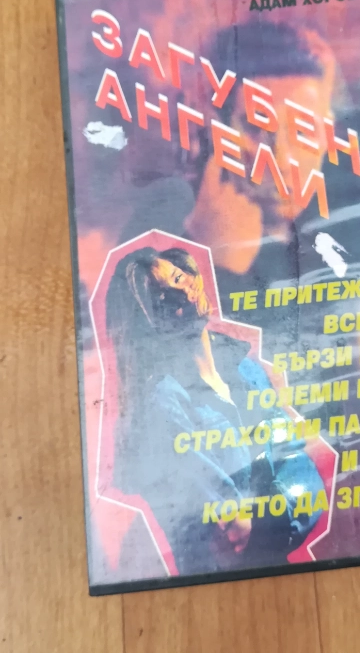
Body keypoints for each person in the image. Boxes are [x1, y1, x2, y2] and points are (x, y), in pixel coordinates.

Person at [104, 245, 325, 575]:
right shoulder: (163, 406)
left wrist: (265, 520)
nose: (184, 291)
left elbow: (307, 483)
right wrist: (269, 510)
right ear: (149, 324)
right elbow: (228, 533)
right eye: (163, 297)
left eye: (179, 277)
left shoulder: (249, 372)